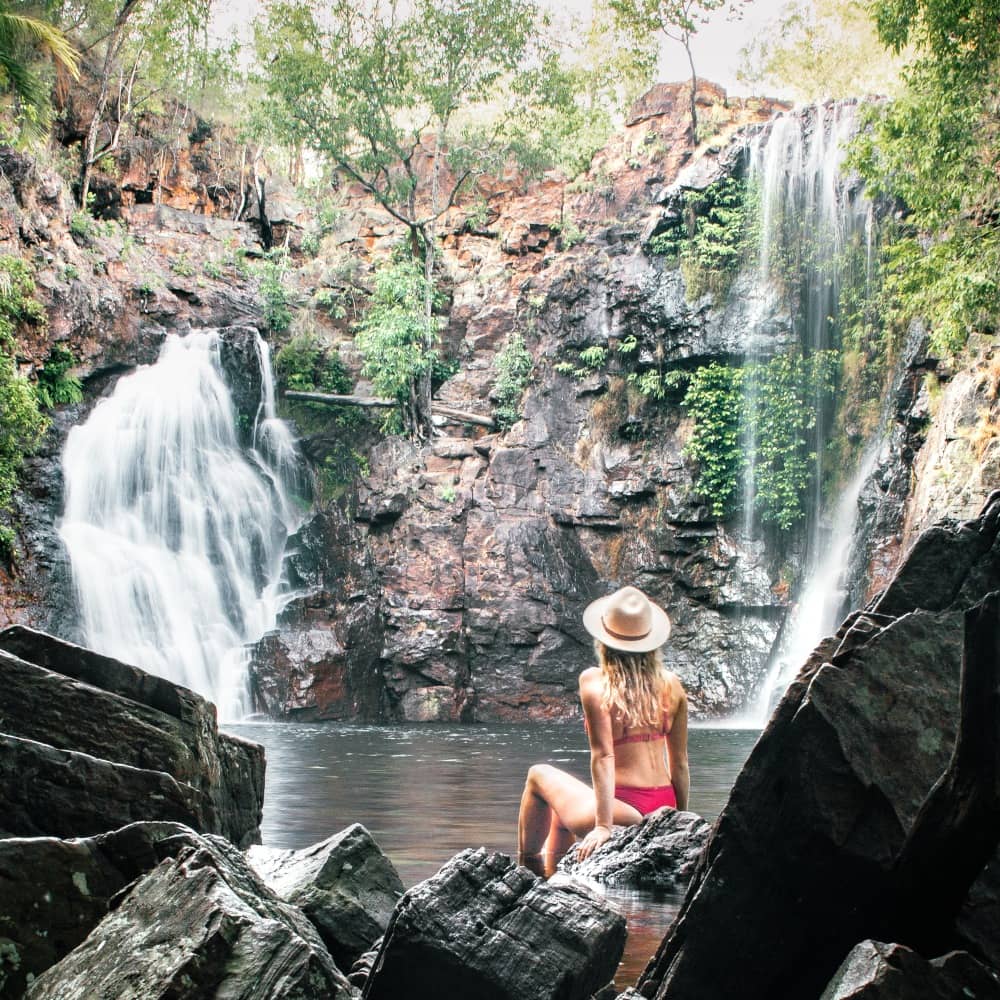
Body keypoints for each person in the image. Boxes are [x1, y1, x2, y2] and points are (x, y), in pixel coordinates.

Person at [517, 585, 689, 869]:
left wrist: (603, 826)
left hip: (625, 811)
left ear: (604, 640)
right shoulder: (672, 685)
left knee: (538, 776)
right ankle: (556, 880)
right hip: (664, 806)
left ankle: (524, 872)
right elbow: (680, 764)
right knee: (561, 812)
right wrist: (680, 820)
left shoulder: (595, 682)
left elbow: (603, 756)